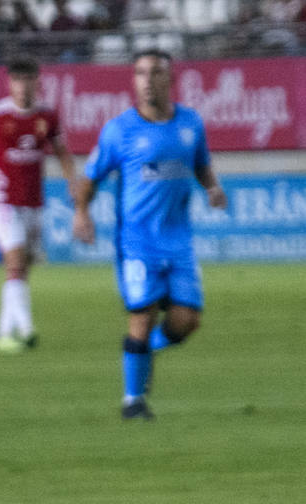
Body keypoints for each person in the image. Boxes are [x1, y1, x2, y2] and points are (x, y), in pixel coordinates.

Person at [72, 49, 227, 420]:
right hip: (137, 242)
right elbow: (89, 178)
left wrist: (212, 188)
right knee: (140, 316)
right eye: (140, 73)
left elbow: (201, 164)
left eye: (155, 72)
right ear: (134, 80)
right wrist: (82, 213)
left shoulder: (191, 124)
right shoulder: (119, 130)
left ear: (169, 79)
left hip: (178, 240)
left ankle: (144, 351)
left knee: (186, 321)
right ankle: (133, 401)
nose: (146, 80)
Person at [0, 56, 77, 354]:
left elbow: (63, 153)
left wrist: (72, 184)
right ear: (9, 83)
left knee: (21, 269)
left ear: (37, 82)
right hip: (3, 202)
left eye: (28, 80)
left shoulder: (48, 117)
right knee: (14, 263)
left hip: (33, 203)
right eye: (17, 80)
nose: (23, 86)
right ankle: (26, 329)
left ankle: (4, 334)